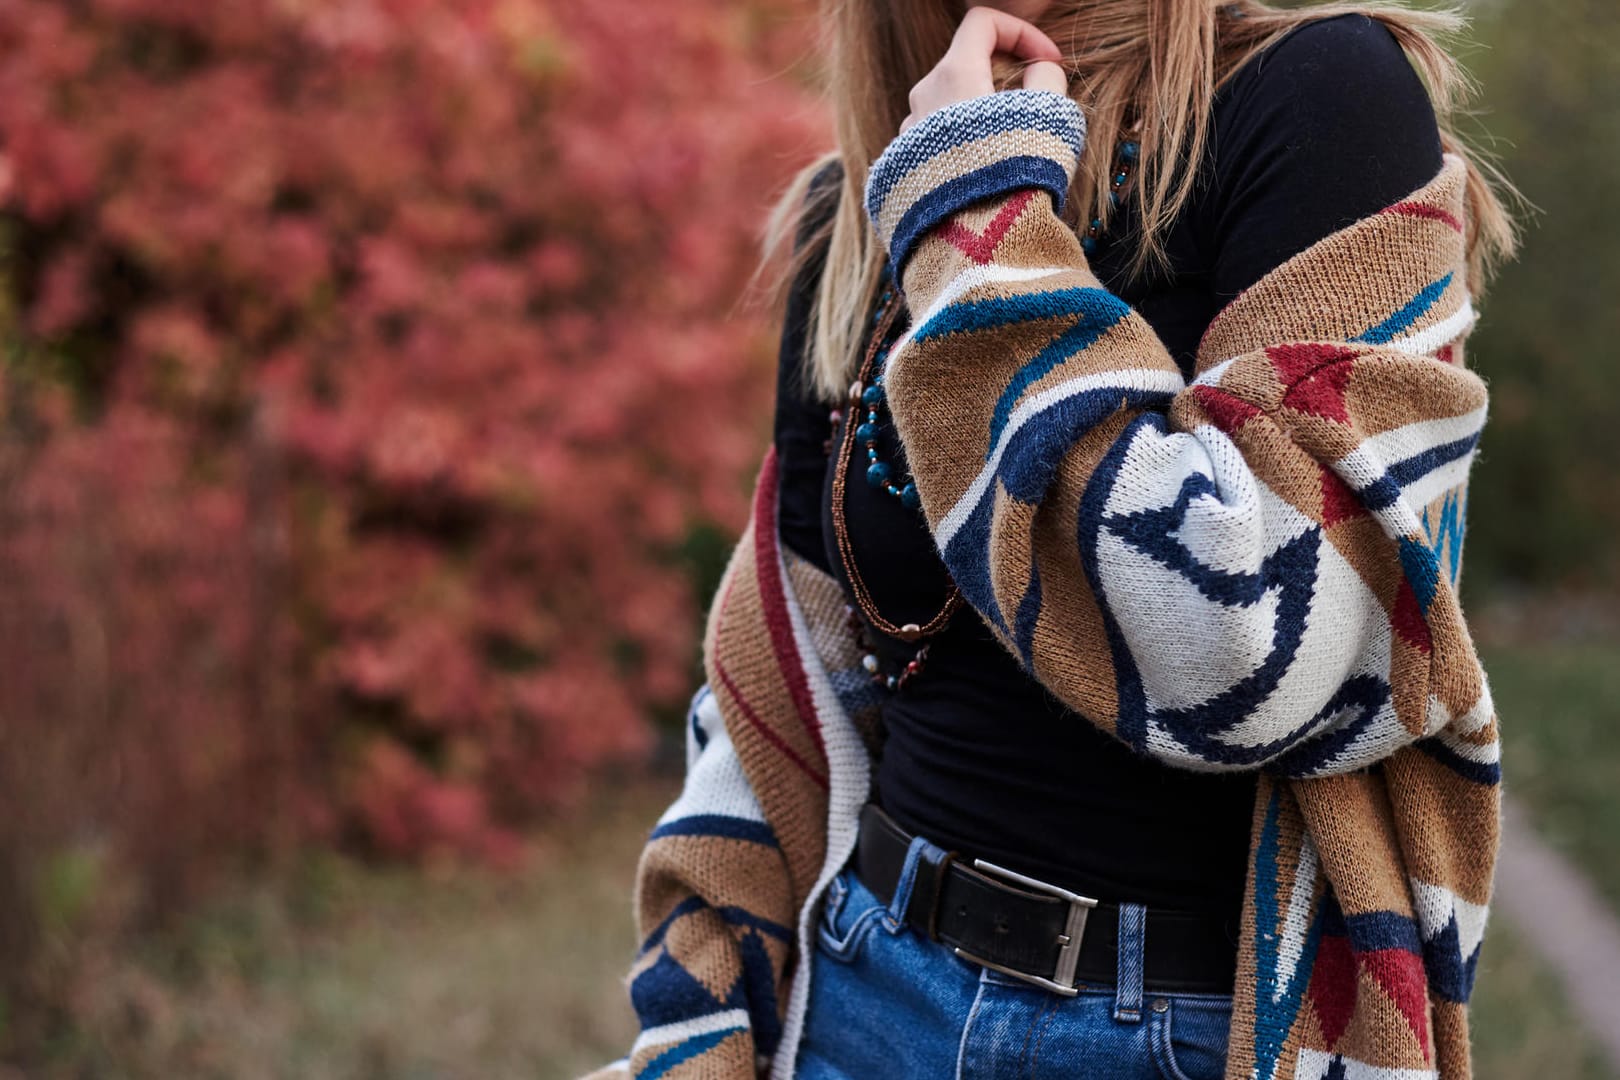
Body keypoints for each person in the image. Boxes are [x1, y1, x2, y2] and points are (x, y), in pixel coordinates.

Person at [597, 2, 1517, 1078]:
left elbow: (1267, 650)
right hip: (863, 996)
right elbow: (788, 690)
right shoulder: (858, 203)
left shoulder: (1323, 97)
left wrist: (974, 219)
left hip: (1182, 1034)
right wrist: (698, 1018)